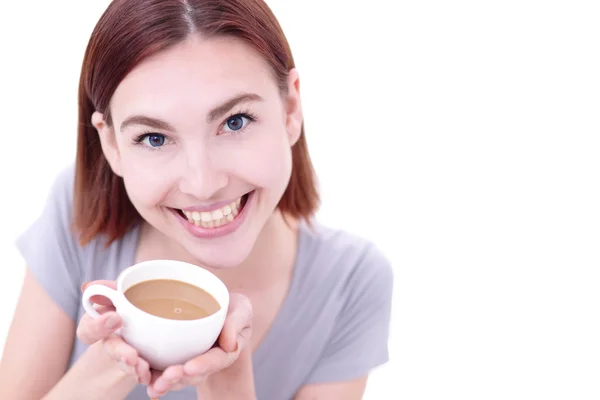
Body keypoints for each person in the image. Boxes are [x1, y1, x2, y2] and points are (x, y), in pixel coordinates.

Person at [0, 0, 393, 399]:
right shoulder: (78, 214)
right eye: (154, 138)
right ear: (112, 143)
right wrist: (116, 356)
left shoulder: (351, 283)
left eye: (234, 122)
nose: (203, 184)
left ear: (290, 108)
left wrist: (228, 371)